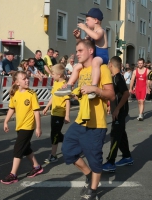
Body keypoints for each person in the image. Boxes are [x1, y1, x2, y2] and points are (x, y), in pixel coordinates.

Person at [61, 39, 115, 200]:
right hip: (80, 121)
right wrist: (72, 93)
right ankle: (89, 174)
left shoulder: (102, 68)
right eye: (76, 51)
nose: (76, 54)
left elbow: (111, 95)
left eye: (79, 51)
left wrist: (95, 89)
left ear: (90, 51)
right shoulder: (81, 71)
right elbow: (81, 93)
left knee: (95, 158)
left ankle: (93, 191)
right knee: (67, 150)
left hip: (96, 123)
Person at [1, 71, 43, 184]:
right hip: (19, 126)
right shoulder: (14, 94)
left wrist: (38, 127)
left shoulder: (31, 94)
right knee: (26, 148)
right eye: (24, 79)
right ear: (17, 82)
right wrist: (6, 121)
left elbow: (36, 112)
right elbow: (11, 108)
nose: (27, 80)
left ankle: (13, 174)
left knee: (18, 149)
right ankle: (37, 167)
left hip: (28, 126)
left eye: (27, 78)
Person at [57, 8, 109, 99]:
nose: (86, 22)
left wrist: (85, 28)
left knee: (95, 62)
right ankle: (69, 86)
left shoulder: (101, 31)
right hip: (94, 57)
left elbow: (96, 37)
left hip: (102, 56)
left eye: (88, 20)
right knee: (77, 66)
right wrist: (78, 37)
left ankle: (94, 86)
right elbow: (84, 45)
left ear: (96, 20)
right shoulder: (90, 34)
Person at [102, 56, 132, 173]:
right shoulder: (114, 78)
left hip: (120, 111)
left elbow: (126, 94)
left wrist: (117, 109)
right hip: (117, 110)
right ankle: (127, 156)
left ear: (111, 65)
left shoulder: (118, 78)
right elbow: (115, 95)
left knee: (115, 135)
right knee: (121, 134)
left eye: (109, 65)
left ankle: (111, 162)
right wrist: (111, 106)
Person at [43, 64, 70, 163]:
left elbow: (67, 101)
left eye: (53, 73)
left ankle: (53, 155)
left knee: (54, 134)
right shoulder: (56, 83)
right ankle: (71, 141)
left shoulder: (65, 85)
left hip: (60, 113)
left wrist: (67, 115)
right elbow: (53, 96)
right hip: (54, 111)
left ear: (59, 75)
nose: (52, 75)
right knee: (56, 133)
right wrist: (46, 107)